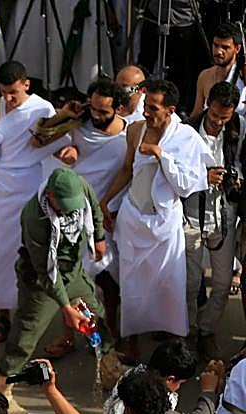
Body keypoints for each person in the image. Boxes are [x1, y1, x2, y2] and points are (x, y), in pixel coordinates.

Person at [101, 79, 212, 353]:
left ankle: (176, 347)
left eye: (153, 107)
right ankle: (131, 342)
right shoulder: (136, 130)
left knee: (169, 286)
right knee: (131, 285)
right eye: (145, 105)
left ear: (170, 110)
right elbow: (127, 169)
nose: (146, 112)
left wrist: (161, 155)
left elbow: (186, 185)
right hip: (133, 217)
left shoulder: (186, 138)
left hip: (164, 223)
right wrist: (106, 202)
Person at [0, 167, 107, 414]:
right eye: (64, 206)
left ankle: (110, 367)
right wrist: (66, 308)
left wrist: (98, 236)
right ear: (51, 197)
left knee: (98, 314)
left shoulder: (80, 186)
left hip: (73, 271)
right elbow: (46, 272)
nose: (71, 210)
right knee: (26, 334)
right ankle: (2, 391)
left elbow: (95, 211)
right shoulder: (34, 217)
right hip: (41, 279)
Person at [41, 77, 130, 358]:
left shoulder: (132, 134)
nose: (97, 116)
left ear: (119, 108)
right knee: (70, 281)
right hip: (75, 218)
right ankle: (68, 335)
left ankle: (112, 334)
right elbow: (40, 136)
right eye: (93, 109)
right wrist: (65, 114)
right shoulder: (79, 126)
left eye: (103, 111)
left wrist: (111, 209)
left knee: (112, 284)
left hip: (112, 218)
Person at [0, 61, 59, 346]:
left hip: (28, 185)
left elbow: (54, 143)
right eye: (4, 92)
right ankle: (2, 314)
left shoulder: (43, 109)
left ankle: (26, 313)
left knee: (28, 252)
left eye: (13, 92)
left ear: (26, 84)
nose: (8, 99)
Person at [182, 81, 242, 357]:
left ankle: (206, 331)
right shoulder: (186, 130)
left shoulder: (238, 128)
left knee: (221, 283)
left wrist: (236, 179)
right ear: (207, 104)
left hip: (224, 217)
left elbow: (242, 161)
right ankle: (189, 334)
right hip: (191, 216)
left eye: (224, 117)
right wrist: (202, 178)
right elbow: (175, 173)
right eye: (215, 115)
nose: (218, 122)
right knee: (191, 284)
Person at [192, 23, 243, 114]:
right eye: (216, 45)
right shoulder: (205, 76)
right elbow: (197, 113)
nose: (219, 51)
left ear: (237, 48)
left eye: (225, 47)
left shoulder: (243, 76)